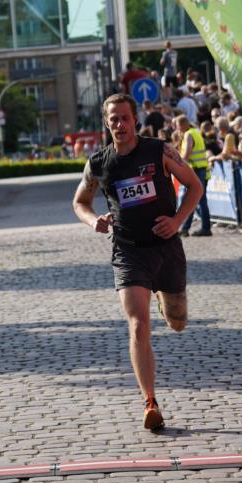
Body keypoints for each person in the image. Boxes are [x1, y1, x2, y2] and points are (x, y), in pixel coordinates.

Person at [72, 93, 202, 431]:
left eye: (125, 118)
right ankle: (150, 401)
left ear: (135, 121)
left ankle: (165, 301)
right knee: (137, 325)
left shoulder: (159, 151)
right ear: (107, 122)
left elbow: (194, 186)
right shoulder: (99, 163)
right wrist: (92, 221)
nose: (119, 124)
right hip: (128, 250)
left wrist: (177, 221)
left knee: (177, 322)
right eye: (113, 119)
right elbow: (80, 202)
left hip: (166, 246)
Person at [175, 114, 212, 237]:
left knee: (194, 200)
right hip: (200, 169)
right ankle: (189, 228)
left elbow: (186, 154)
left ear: (184, 124)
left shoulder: (189, 134)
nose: (178, 129)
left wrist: (175, 161)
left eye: (178, 126)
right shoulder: (195, 132)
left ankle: (200, 228)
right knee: (198, 200)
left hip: (196, 170)